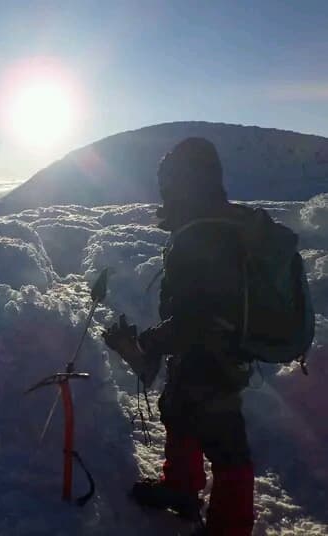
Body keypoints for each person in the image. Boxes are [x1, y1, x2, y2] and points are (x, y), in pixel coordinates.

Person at [103, 137, 257, 535]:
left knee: (226, 443)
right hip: (223, 349)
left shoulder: (201, 236)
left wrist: (151, 343)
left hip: (212, 352)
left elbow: (196, 318)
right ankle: (182, 488)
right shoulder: (221, 224)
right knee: (179, 410)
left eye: (167, 180)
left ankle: (229, 525)